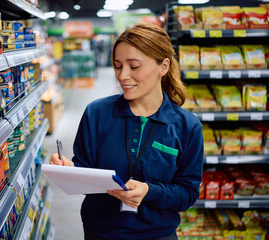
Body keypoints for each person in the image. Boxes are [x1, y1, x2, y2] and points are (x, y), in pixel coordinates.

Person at [49, 22, 204, 240]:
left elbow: (187, 193)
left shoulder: (187, 127)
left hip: (157, 235)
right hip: (100, 232)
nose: (122, 76)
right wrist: (70, 170)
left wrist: (150, 191)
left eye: (134, 66)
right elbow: (85, 170)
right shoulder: (96, 113)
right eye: (118, 65)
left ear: (164, 66)